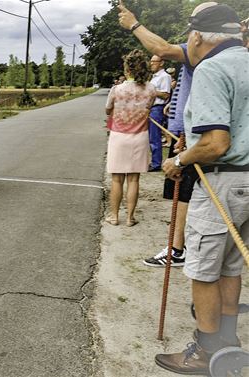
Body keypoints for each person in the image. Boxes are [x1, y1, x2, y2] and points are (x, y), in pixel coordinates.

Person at [158, 4, 247, 375]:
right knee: (230, 265)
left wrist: (178, 162)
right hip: (247, 180)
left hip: (221, 181)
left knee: (204, 269)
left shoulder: (211, 67)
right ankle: (227, 341)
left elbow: (215, 143)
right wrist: (191, 148)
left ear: (196, 37)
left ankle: (206, 352)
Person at [118, 0, 204, 268]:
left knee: (186, 192)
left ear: (200, 34)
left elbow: (162, 48)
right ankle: (180, 246)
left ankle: (178, 249)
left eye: (192, 26)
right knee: (183, 191)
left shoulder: (203, 52)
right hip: (186, 133)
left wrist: (133, 23)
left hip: (195, 137)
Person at [105, 49, 156, 227]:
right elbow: (149, 107)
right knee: (134, 179)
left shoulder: (117, 89)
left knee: (117, 179)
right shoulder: (151, 89)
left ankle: (114, 215)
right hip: (140, 136)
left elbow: (108, 109)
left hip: (119, 136)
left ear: (127, 68)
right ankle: (130, 218)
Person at [147, 55, 171, 172]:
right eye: (150, 61)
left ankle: (156, 164)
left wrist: (150, 91)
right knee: (150, 136)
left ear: (161, 63)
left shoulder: (165, 77)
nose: (151, 64)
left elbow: (166, 94)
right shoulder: (154, 77)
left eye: (154, 62)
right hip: (150, 108)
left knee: (155, 137)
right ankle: (152, 161)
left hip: (157, 108)